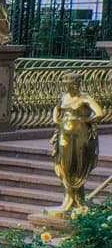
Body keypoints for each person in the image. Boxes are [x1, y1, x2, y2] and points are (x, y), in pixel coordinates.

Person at [50, 73, 106, 216]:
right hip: (64, 134)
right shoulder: (64, 97)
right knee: (65, 165)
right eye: (66, 85)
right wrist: (55, 118)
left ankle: (78, 200)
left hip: (80, 136)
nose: (68, 87)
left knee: (78, 165)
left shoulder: (85, 98)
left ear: (76, 84)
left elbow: (99, 113)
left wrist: (84, 120)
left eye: (70, 84)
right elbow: (57, 108)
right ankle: (69, 197)